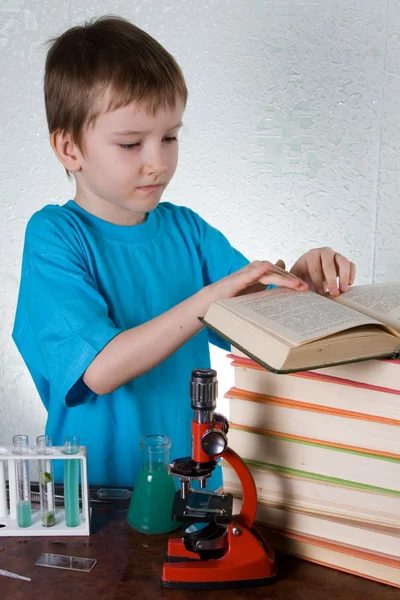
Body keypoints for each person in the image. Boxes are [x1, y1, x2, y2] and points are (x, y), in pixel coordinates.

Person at [12, 16, 355, 488]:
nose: (159, 161)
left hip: (191, 487)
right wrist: (210, 300)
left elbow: (250, 323)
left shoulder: (187, 230)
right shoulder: (55, 235)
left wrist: (297, 280)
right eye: (132, 143)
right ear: (70, 149)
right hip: (97, 496)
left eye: (170, 137)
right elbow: (100, 371)